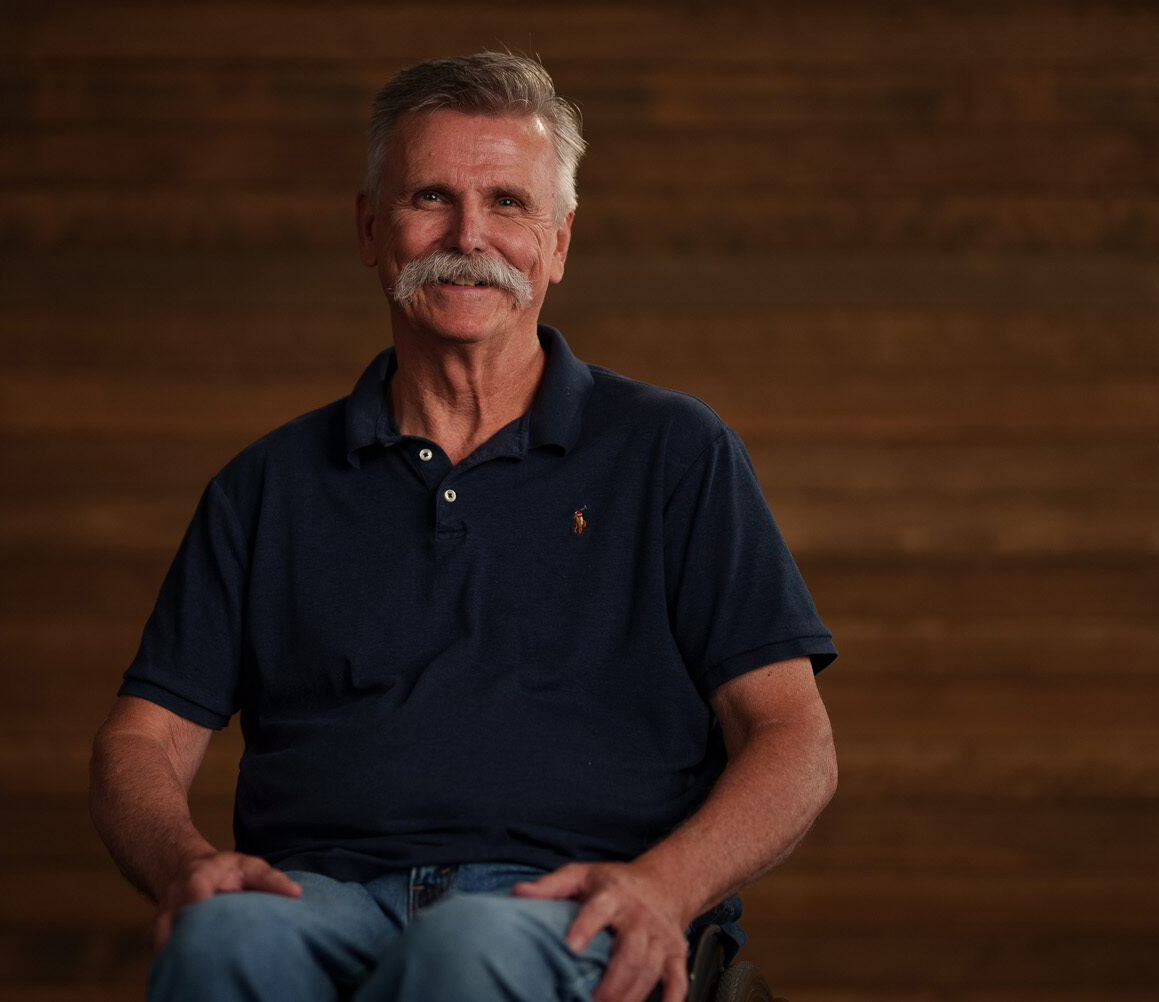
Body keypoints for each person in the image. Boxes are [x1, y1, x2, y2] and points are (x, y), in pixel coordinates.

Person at [89, 52, 837, 1002]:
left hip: (568, 904)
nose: (469, 236)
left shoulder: (673, 454)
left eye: (509, 205)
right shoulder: (265, 486)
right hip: (324, 897)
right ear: (371, 229)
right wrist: (181, 866)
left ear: (559, 244)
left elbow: (792, 737)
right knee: (220, 943)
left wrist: (667, 887)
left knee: (461, 950)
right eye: (431, 197)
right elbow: (138, 742)